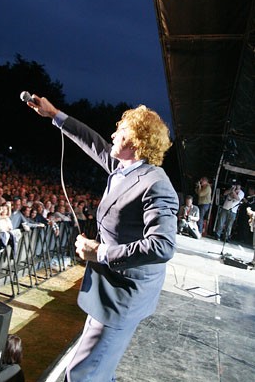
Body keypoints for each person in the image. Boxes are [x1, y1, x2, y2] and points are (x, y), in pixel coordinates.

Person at [27, 94, 178, 382]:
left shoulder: (155, 184)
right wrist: (55, 115)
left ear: (136, 140)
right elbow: (93, 142)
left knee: (83, 373)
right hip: (108, 289)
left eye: (119, 132)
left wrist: (101, 252)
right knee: (95, 369)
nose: (112, 135)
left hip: (123, 295)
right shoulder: (125, 169)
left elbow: (163, 245)